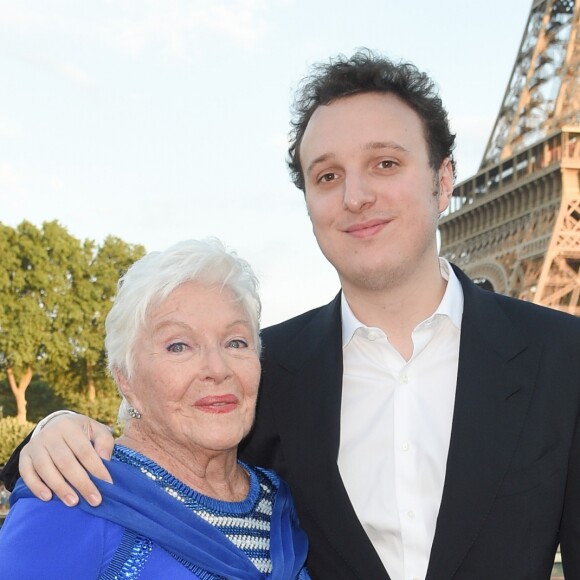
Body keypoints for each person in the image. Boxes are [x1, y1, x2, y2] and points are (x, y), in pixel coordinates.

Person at [2, 50, 580, 579]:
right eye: (328, 176)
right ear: (308, 201)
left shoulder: (563, 359)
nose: (356, 196)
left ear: (443, 178)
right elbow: (162, 460)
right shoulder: (263, 372)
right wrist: (48, 432)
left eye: (385, 163)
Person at [0, 239, 310, 579]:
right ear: (126, 379)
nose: (218, 368)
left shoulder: (283, 502)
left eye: (236, 342)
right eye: (178, 346)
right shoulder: (70, 495)